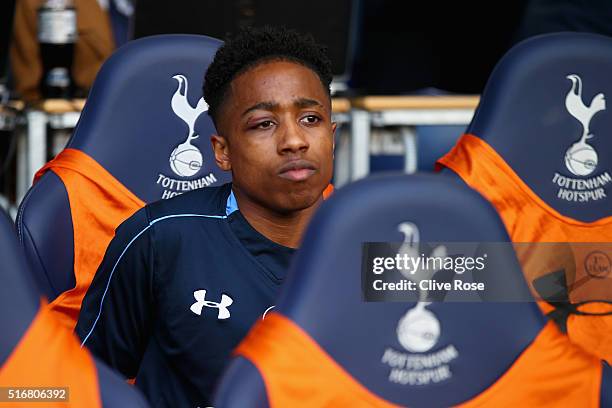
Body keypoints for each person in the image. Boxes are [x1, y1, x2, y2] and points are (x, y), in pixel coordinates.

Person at [75, 26, 335, 407]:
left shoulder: (379, 246)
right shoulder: (160, 239)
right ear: (222, 151)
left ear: (333, 135)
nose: (294, 140)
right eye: (264, 124)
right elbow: (75, 384)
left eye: (310, 119)